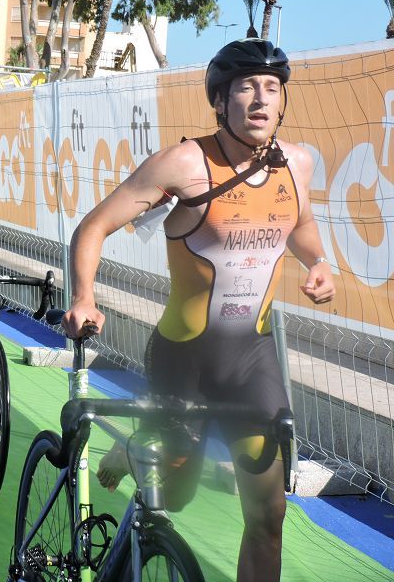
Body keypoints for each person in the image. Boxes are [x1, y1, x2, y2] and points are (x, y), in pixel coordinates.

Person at [61, 39, 335, 582]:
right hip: (182, 359)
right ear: (220, 100)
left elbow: (300, 226)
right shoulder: (186, 163)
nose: (261, 99)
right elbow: (92, 227)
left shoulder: (296, 164)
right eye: (246, 87)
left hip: (251, 363)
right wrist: (83, 298)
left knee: (268, 516)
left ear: (283, 102)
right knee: (173, 501)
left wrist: (319, 262)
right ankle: (140, 454)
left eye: (272, 88)